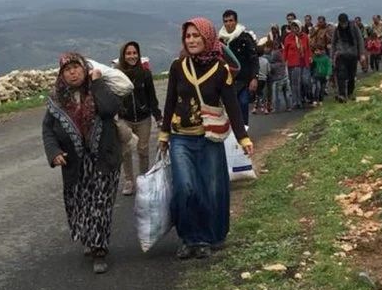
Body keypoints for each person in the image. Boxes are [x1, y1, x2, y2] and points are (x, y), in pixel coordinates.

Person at [159, 17, 253, 259]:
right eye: (187, 36)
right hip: (181, 138)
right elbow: (170, 101)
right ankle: (188, 237)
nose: (191, 40)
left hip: (209, 138)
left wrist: (243, 138)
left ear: (207, 37)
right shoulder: (178, 67)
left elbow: (232, 105)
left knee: (210, 189)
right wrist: (164, 134)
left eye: (196, 35)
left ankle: (206, 238)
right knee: (185, 188)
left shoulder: (221, 70)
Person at [42, 52, 122, 274]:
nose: (73, 73)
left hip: (103, 158)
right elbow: (48, 129)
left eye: (76, 67)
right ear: (62, 75)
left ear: (84, 68)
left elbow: (110, 109)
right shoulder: (57, 100)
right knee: (80, 204)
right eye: (67, 70)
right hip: (75, 162)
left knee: (100, 205)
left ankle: (99, 249)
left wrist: (97, 83)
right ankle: (88, 236)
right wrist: (54, 152)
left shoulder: (99, 88)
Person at [116, 41, 162, 196]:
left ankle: (144, 179)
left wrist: (158, 117)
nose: (132, 56)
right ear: (123, 55)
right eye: (128, 53)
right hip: (125, 119)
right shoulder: (117, 75)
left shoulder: (145, 74)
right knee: (125, 150)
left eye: (135, 53)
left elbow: (152, 97)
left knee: (143, 149)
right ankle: (129, 180)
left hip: (143, 118)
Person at [219, 10, 259, 126]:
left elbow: (253, 58)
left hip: (244, 80)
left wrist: (254, 78)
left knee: (243, 103)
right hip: (227, 81)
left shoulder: (244, 38)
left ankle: (243, 131)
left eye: (231, 20)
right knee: (229, 108)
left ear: (236, 22)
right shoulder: (220, 40)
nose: (228, 24)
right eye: (226, 21)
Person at [331, 13, 363, 102]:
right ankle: (342, 94)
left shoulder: (354, 27)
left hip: (353, 55)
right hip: (341, 55)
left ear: (347, 21)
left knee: (351, 75)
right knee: (341, 74)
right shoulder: (337, 29)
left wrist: (362, 54)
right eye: (341, 23)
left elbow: (360, 40)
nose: (343, 25)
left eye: (344, 23)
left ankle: (349, 93)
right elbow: (333, 43)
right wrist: (332, 56)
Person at [283, 20, 310, 109]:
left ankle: (302, 98)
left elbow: (308, 49)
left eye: (296, 27)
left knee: (304, 82)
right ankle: (296, 101)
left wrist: (309, 58)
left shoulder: (304, 37)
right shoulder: (288, 38)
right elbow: (285, 51)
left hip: (303, 62)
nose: (294, 29)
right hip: (293, 62)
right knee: (294, 83)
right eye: (292, 27)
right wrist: (284, 61)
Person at [269, 45, 292, 112]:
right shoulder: (283, 63)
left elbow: (270, 72)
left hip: (277, 81)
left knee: (276, 95)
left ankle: (276, 108)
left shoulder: (273, 65)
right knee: (287, 94)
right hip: (285, 79)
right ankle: (289, 107)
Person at [253, 43, 271, 115]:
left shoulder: (255, 60)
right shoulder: (265, 60)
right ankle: (265, 109)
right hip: (264, 79)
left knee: (257, 94)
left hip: (257, 79)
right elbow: (268, 70)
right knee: (264, 94)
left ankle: (255, 108)